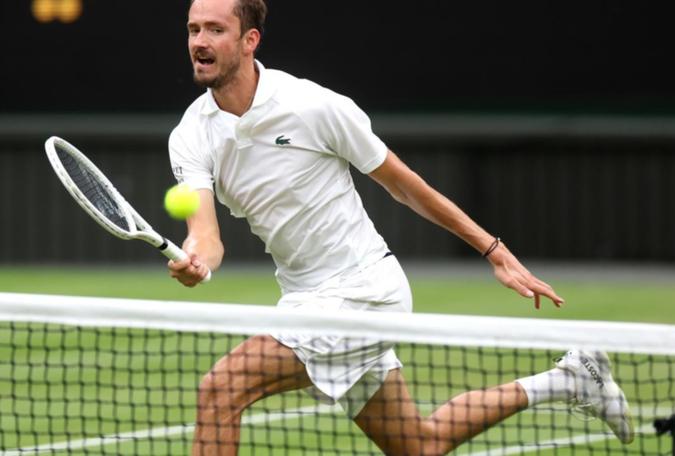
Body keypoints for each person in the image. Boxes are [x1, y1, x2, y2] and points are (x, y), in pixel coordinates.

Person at [167, 0, 634, 454]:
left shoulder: (313, 106)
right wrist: (197, 261)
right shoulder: (191, 135)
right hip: (303, 299)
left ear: (250, 40)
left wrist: (494, 251)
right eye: (193, 30)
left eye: (214, 29)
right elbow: (206, 235)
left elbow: (407, 187)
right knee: (420, 445)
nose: (199, 42)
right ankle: (568, 379)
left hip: (365, 293)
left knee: (222, 388)